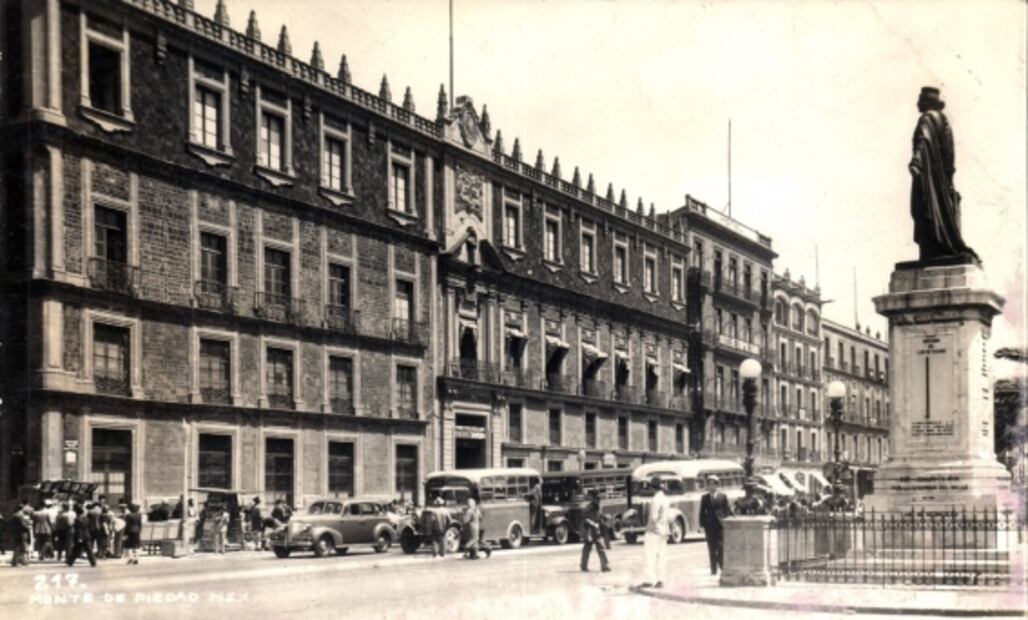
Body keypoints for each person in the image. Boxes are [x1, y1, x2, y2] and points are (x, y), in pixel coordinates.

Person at [907, 86, 978, 263]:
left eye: (920, 100)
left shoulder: (926, 119)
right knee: (939, 212)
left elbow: (923, 141)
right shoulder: (944, 121)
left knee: (923, 209)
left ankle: (930, 252)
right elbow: (950, 153)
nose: (917, 103)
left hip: (926, 177)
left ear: (927, 102)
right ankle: (939, 247)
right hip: (942, 180)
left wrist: (916, 162)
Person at [699, 475, 733, 576]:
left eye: (713, 484)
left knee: (721, 547)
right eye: (709, 484)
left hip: (720, 526)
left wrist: (731, 519)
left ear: (717, 485)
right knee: (711, 548)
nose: (711, 487)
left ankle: (722, 565)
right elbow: (702, 512)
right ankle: (713, 569)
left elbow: (727, 510)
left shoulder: (723, 496)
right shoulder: (704, 497)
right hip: (709, 526)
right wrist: (702, 525)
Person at [641, 477, 669, 588]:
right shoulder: (665, 499)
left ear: (653, 488)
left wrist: (649, 529)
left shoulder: (655, 500)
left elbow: (653, 517)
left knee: (650, 556)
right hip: (663, 530)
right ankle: (661, 580)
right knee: (661, 556)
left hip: (654, 531)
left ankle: (649, 580)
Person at [579, 490, 610, 572]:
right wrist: (593, 524)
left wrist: (605, 517)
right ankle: (583, 566)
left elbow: (599, 515)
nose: (599, 500)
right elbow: (585, 519)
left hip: (597, 530)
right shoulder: (588, 508)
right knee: (587, 549)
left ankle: (605, 566)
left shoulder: (599, 506)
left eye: (599, 498)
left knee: (601, 548)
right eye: (597, 498)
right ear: (593, 499)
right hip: (588, 530)